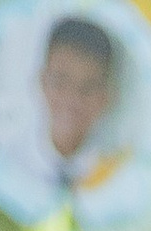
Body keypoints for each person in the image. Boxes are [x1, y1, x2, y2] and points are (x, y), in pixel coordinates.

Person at [35, 10, 114, 168]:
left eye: (88, 87)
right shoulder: (9, 159)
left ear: (105, 96)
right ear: (42, 80)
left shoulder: (116, 161)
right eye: (59, 82)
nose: (72, 99)